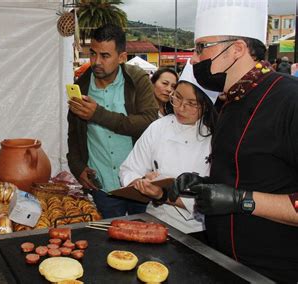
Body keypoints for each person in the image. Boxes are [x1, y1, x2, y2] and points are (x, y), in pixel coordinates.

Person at [171, 0, 298, 282]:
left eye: (202, 47)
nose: (193, 59)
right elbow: (250, 172)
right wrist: (206, 186)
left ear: (238, 49)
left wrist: (242, 201)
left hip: (274, 271)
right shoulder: (228, 102)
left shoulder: (289, 99)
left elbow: (248, 194)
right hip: (221, 260)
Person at [67, 23, 158, 219]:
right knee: (108, 242)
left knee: (143, 236)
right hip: (102, 185)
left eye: (105, 56)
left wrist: (98, 114)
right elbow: (73, 134)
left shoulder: (137, 79)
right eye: (93, 53)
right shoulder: (80, 86)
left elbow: (149, 122)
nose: (96, 61)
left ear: (122, 57)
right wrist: (77, 166)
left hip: (138, 182)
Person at [119, 61, 217, 241]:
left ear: (206, 106)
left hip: (198, 229)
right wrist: (141, 182)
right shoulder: (159, 127)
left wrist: (162, 195)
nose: (180, 107)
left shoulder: (215, 138)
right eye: (177, 97)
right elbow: (128, 168)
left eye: (191, 103)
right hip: (155, 221)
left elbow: (213, 196)